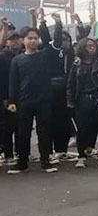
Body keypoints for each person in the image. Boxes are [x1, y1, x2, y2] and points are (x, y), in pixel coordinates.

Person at [7, 25, 57, 174]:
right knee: (23, 133)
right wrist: (12, 102)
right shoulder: (17, 60)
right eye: (30, 38)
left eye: (36, 38)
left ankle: (45, 161)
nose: (33, 41)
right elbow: (13, 82)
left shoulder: (44, 55)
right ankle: (22, 163)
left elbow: (51, 42)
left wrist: (44, 22)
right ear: (23, 40)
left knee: (44, 132)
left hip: (44, 101)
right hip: (24, 102)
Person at [66, 38, 98, 168]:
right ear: (82, 47)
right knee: (82, 130)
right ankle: (81, 156)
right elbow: (71, 83)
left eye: (93, 45)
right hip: (82, 100)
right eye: (88, 46)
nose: (91, 47)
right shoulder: (77, 63)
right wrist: (70, 101)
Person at [38, 11, 74, 164]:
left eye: (67, 40)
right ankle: (51, 150)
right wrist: (55, 24)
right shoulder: (50, 52)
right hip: (51, 91)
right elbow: (49, 39)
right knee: (50, 122)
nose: (64, 42)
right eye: (61, 39)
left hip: (66, 92)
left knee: (65, 122)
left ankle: (62, 150)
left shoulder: (71, 54)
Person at [0, 18, 21, 167]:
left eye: (17, 39)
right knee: (7, 127)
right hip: (6, 96)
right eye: (11, 40)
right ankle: (7, 153)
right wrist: (5, 97)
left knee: (21, 127)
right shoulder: (3, 56)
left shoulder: (23, 55)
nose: (15, 42)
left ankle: (21, 153)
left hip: (22, 96)